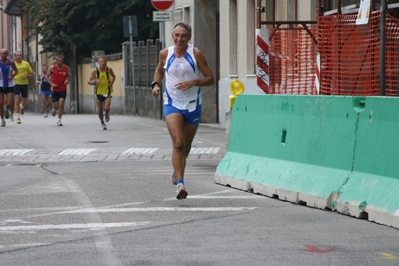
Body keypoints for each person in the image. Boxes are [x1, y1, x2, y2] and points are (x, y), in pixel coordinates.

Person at [152, 22, 215, 200]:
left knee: (186, 147)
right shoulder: (165, 53)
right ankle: (180, 184)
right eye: (177, 35)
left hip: (193, 105)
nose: (180, 39)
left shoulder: (196, 54)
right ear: (173, 36)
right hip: (172, 103)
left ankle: (176, 170)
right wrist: (156, 85)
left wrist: (193, 82)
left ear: (189, 37)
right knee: (178, 144)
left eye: (183, 36)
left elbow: (211, 79)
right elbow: (159, 71)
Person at [87, 57, 116, 130]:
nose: (103, 63)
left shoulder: (108, 69)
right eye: (101, 62)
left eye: (104, 62)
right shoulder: (95, 71)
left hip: (107, 92)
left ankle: (106, 113)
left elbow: (113, 76)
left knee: (106, 108)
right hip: (99, 93)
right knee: (99, 109)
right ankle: (102, 122)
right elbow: (89, 81)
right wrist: (94, 82)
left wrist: (111, 83)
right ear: (99, 63)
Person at [45, 55, 70, 126]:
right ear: (56, 61)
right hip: (55, 89)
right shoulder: (53, 67)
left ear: (63, 61)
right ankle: (54, 108)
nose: (60, 62)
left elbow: (68, 76)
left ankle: (59, 119)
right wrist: (51, 83)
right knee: (56, 105)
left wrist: (67, 80)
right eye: (58, 61)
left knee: (61, 103)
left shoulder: (66, 67)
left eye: (61, 61)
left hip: (63, 89)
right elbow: (46, 76)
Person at [14, 51, 34, 124]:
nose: (18, 57)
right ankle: (18, 117)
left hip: (24, 84)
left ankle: (22, 106)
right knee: (17, 99)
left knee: (24, 101)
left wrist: (27, 76)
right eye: (17, 55)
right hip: (16, 83)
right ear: (15, 56)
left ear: (21, 56)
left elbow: (31, 74)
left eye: (20, 55)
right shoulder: (13, 64)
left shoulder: (26, 63)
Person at [0, 49, 18, 127]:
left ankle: (6, 108)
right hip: (0, 84)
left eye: (4, 53)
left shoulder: (11, 62)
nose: (3, 55)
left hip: (9, 85)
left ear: (7, 54)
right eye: (1, 53)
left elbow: (16, 71)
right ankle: (2, 120)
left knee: (9, 103)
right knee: (0, 103)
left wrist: (12, 76)